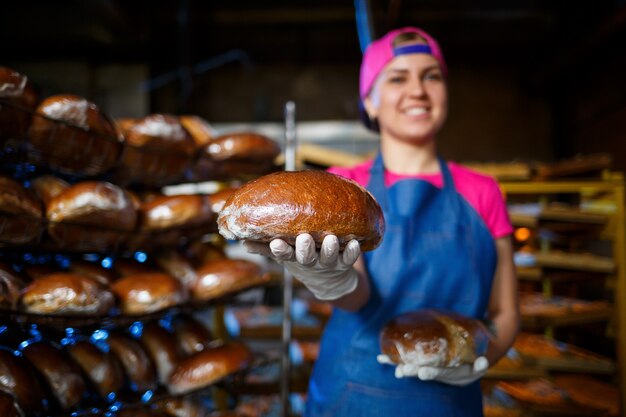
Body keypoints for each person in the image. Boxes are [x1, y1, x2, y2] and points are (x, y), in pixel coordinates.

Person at [246, 26, 520, 416]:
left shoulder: (483, 192)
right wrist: (332, 279)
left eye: (432, 76)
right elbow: (358, 295)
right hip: (352, 394)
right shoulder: (344, 187)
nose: (418, 91)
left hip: (451, 401)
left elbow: (505, 311)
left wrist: (485, 355)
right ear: (369, 103)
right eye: (397, 78)